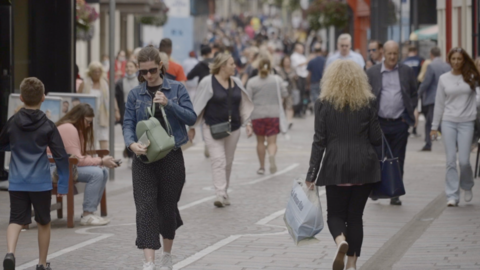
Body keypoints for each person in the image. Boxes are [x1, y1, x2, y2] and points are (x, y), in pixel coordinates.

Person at [123, 46, 197, 270]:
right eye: (143, 72)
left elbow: (191, 117)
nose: (148, 76)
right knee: (145, 207)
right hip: (144, 158)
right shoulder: (135, 94)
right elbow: (128, 123)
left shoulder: (176, 89)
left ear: (161, 67)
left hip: (171, 156)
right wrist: (130, 144)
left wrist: (169, 104)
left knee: (167, 206)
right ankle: (149, 261)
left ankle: (166, 254)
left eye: (152, 70)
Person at [306, 60, 382, 270]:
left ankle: (341, 241)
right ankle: (352, 264)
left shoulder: (323, 103)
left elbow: (319, 140)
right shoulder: (368, 102)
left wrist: (311, 173)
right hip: (363, 166)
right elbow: (377, 138)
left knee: (335, 215)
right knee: (356, 217)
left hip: (335, 166)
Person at [0, 77, 70, 270]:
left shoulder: (13, 122)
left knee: (16, 220)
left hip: (17, 181)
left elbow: (2, 142)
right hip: (40, 182)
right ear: (43, 98)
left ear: (21, 98)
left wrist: (11, 145)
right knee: (43, 222)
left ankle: (10, 253)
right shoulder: (48, 125)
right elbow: (61, 156)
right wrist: (63, 183)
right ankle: (41, 264)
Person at [188, 53, 254, 208]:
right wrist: (191, 127)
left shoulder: (236, 82)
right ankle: (220, 193)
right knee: (219, 160)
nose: (234, 67)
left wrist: (248, 123)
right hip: (212, 128)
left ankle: (224, 191)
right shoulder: (207, 82)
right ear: (222, 66)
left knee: (228, 162)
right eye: (231, 64)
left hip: (234, 128)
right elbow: (198, 104)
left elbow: (243, 104)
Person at [366, 40, 418, 206]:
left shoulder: (406, 71)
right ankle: (375, 189)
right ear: (384, 54)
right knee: (376, 157)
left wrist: (407, 115)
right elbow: (366, 95)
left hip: (399, 122)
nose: (392, 57)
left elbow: (413, 93)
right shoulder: (373, 72)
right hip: (379, 122)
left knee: (397, 159)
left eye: (395, 53)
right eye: (389, 53)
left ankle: (395, 192)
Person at [430, 47, 480, 207]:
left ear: (464, 60)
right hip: (448, 122)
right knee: (451, 160)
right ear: (449, 60)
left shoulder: (472, 77)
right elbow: (439, 104)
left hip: (467, 122)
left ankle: (467, 185)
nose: (456, 62)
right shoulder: (444, 79)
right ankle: (452, 195)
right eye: (453, 59)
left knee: (464, 161)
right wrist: (434, 126)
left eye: (459, 59)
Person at [55, 103, 118, 225]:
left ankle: (91, 212)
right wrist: (101, 161)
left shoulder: (75, 129)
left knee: (102, 171)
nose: (89, 125)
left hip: (65, 166)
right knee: (97, 173)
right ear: (79, 118)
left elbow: (78, 156)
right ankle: (87, 215)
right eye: (88, 122)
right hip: (56, 168)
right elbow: (78, 160)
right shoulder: (69, 129)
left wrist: (101, 162)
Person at [246, 58, 288, 175]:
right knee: (272, 142)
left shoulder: (252, 82)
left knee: (260, 142)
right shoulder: (277, 80)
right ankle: (271, 155)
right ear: (270, 67)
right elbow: (285, 93)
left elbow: (248, 99)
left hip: (257, 115)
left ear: (258, 68)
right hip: (273, 114)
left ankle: (262, 167)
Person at [78, 61, 121, 150]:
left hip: (102, 115)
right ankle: (90, 160)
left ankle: (103, 161)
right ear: (90, 72)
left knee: (104, 138)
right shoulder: (84, 83)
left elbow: (112, 97)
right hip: (87, 115)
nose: (97, 74)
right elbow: (78, 99)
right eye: (94, 71)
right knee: (88, 139)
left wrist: (116, 110)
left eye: (99, 71)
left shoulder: (105, 83)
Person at [417, 47, 451, 151]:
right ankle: (428, 143)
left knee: (434, 122)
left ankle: (452, 141)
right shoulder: (447, 66)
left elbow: (426, 82)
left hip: (433, 98)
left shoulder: (431, 66)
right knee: (430, 122)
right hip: (446, 97)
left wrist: (418, 94)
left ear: (431, 54)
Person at [115, 60, 139, 166]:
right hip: (124, 109)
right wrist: (117, 111)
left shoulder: (140, 81)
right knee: (127, 132)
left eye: (131, 66)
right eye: (127, 67)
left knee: (136, 133)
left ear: (136, 68)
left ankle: (135, 154)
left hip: (137, 109)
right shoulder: (120, 82)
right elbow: (115, 97)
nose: (129, 69)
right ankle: (130, 156)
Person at [276, 55, 297, 128]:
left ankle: (289, 121)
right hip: (281, 90)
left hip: (290, 90)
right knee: (282, 105)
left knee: (289, 105)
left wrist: (295, 77)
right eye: (285, 62)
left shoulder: (293, 69)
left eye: (288, 62)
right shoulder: (280, 70)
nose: (287, 63)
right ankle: (282, 121)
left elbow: (297, 78)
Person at [290, 43, 308, 117]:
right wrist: (308, 61)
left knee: (303, 94)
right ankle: (297, 110)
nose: (302, 50)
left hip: (304, 76)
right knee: (298, 94)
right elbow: (298, 64)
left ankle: (302, 109)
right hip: (298, 77)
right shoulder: (294, 56)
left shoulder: (302, 56)